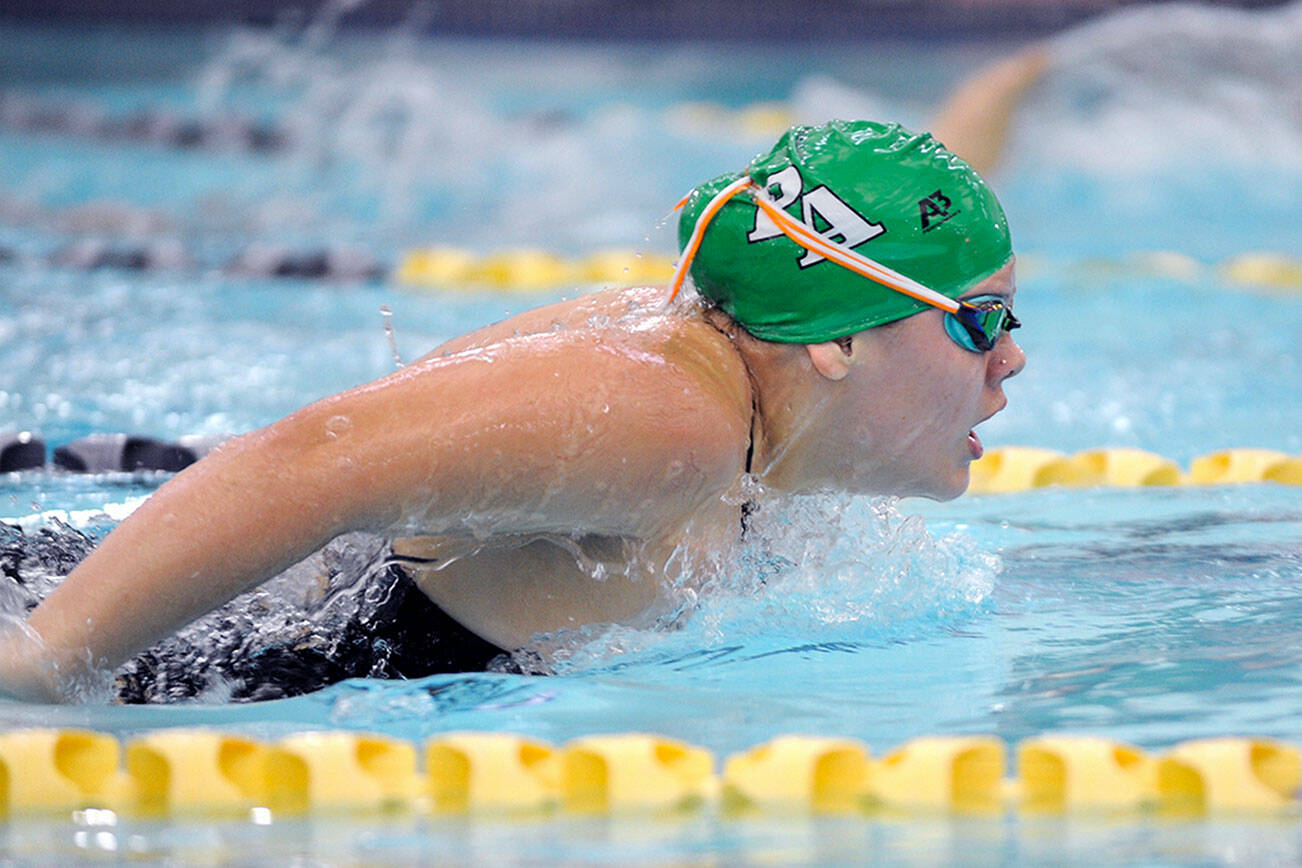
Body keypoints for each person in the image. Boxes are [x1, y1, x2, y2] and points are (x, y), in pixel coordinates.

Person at [0, 54, 1039, 703]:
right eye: (983, 322)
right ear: (840, 343)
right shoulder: (672, 417)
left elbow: (873, 249)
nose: (1012, 356)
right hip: (180, 668)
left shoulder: (743, 361)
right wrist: (50, 657)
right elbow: (315, 456)